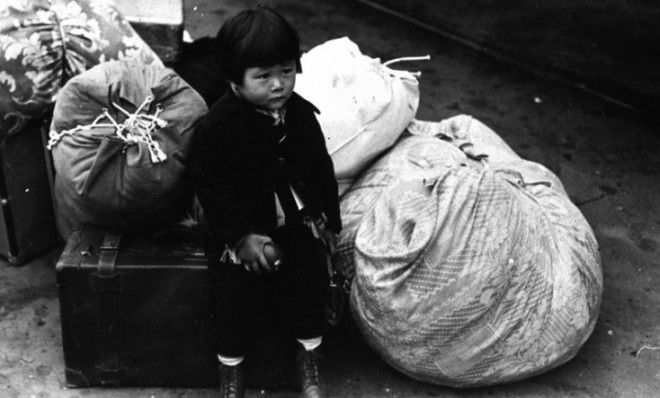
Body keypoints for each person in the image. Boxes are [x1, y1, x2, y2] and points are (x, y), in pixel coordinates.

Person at [187, 7, 341, 398]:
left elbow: (321, 169)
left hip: (295, 223)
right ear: (235, 80)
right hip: (240, 232)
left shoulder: (302, 116)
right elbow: (211, 187)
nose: (278, 85)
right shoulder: (216, 129)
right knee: (233, 302)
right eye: (263, 76)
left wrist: (329, 222)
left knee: (307, 288)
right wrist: (240, 238)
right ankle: (231, 372)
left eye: (286, 71)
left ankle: (308, 362)